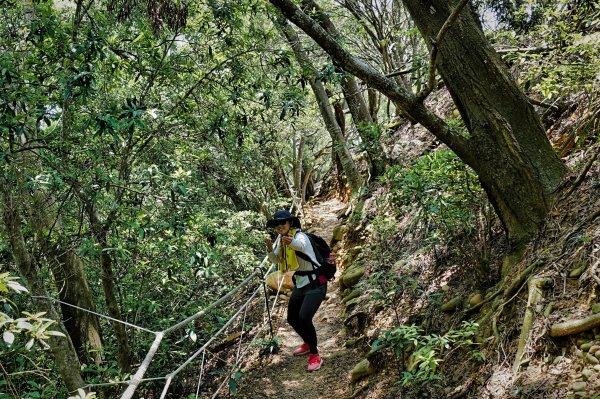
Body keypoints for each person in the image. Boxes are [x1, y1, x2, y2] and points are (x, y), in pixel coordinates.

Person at [264, 210, 327, 372]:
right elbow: (276, 260)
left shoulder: (299, 237)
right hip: (300, 282)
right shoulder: (280, 240)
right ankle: (307, 342)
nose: (279, 226)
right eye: (277, 224)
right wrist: (271, 249)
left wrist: (290, 242)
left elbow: (300, 245)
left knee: (304, 317)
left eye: (283, 223)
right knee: (292, 317)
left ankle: (315, 354)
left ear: (290, 223)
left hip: (315, 283)